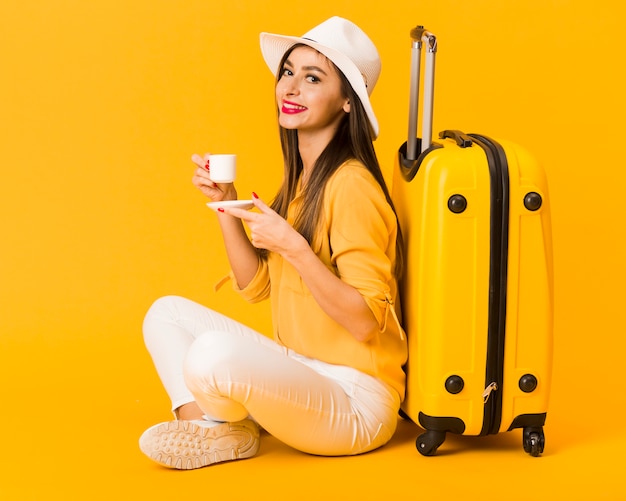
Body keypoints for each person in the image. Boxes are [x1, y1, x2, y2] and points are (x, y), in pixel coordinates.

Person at [139, 16, 407, 470]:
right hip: (302, 368)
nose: (292, 87)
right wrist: (225, 207)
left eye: (313, 77)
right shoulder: (303, 182)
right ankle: (219, 430)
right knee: (165, 313)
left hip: (356, 400)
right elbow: (258, 288)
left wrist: (294, 247)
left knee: (210, 356)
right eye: (288, 72)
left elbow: (366, 323)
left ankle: (215, 428)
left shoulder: (352, 186)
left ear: (347, 102)